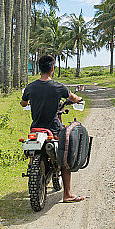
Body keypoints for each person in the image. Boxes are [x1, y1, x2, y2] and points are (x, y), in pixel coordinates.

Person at [21, 54, 85, 203]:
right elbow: (73, 97)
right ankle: (67, 194)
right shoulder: (58, 87)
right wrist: (80, 99)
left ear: (39, 68)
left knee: (32, 151)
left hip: (36, 128)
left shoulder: (30, 87)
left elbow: (23, 103)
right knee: (65, 156)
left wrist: (27, 103)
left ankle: (32, 165)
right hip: (54, 130)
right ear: (52, 69)